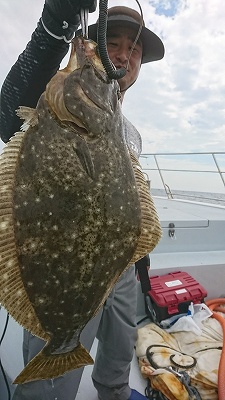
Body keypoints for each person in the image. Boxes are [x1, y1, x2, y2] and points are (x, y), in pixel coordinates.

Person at [0, 1, 164, 399]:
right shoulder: (56, 105)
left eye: (134, 47)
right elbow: (8, 114)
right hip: (63, 262)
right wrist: (54, 24)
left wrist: (136, 254)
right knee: (49, 384)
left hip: (118, 265)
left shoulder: (123, 127)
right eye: (113, 42)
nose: (124, 54)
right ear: (95, 45)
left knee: (118, 356)